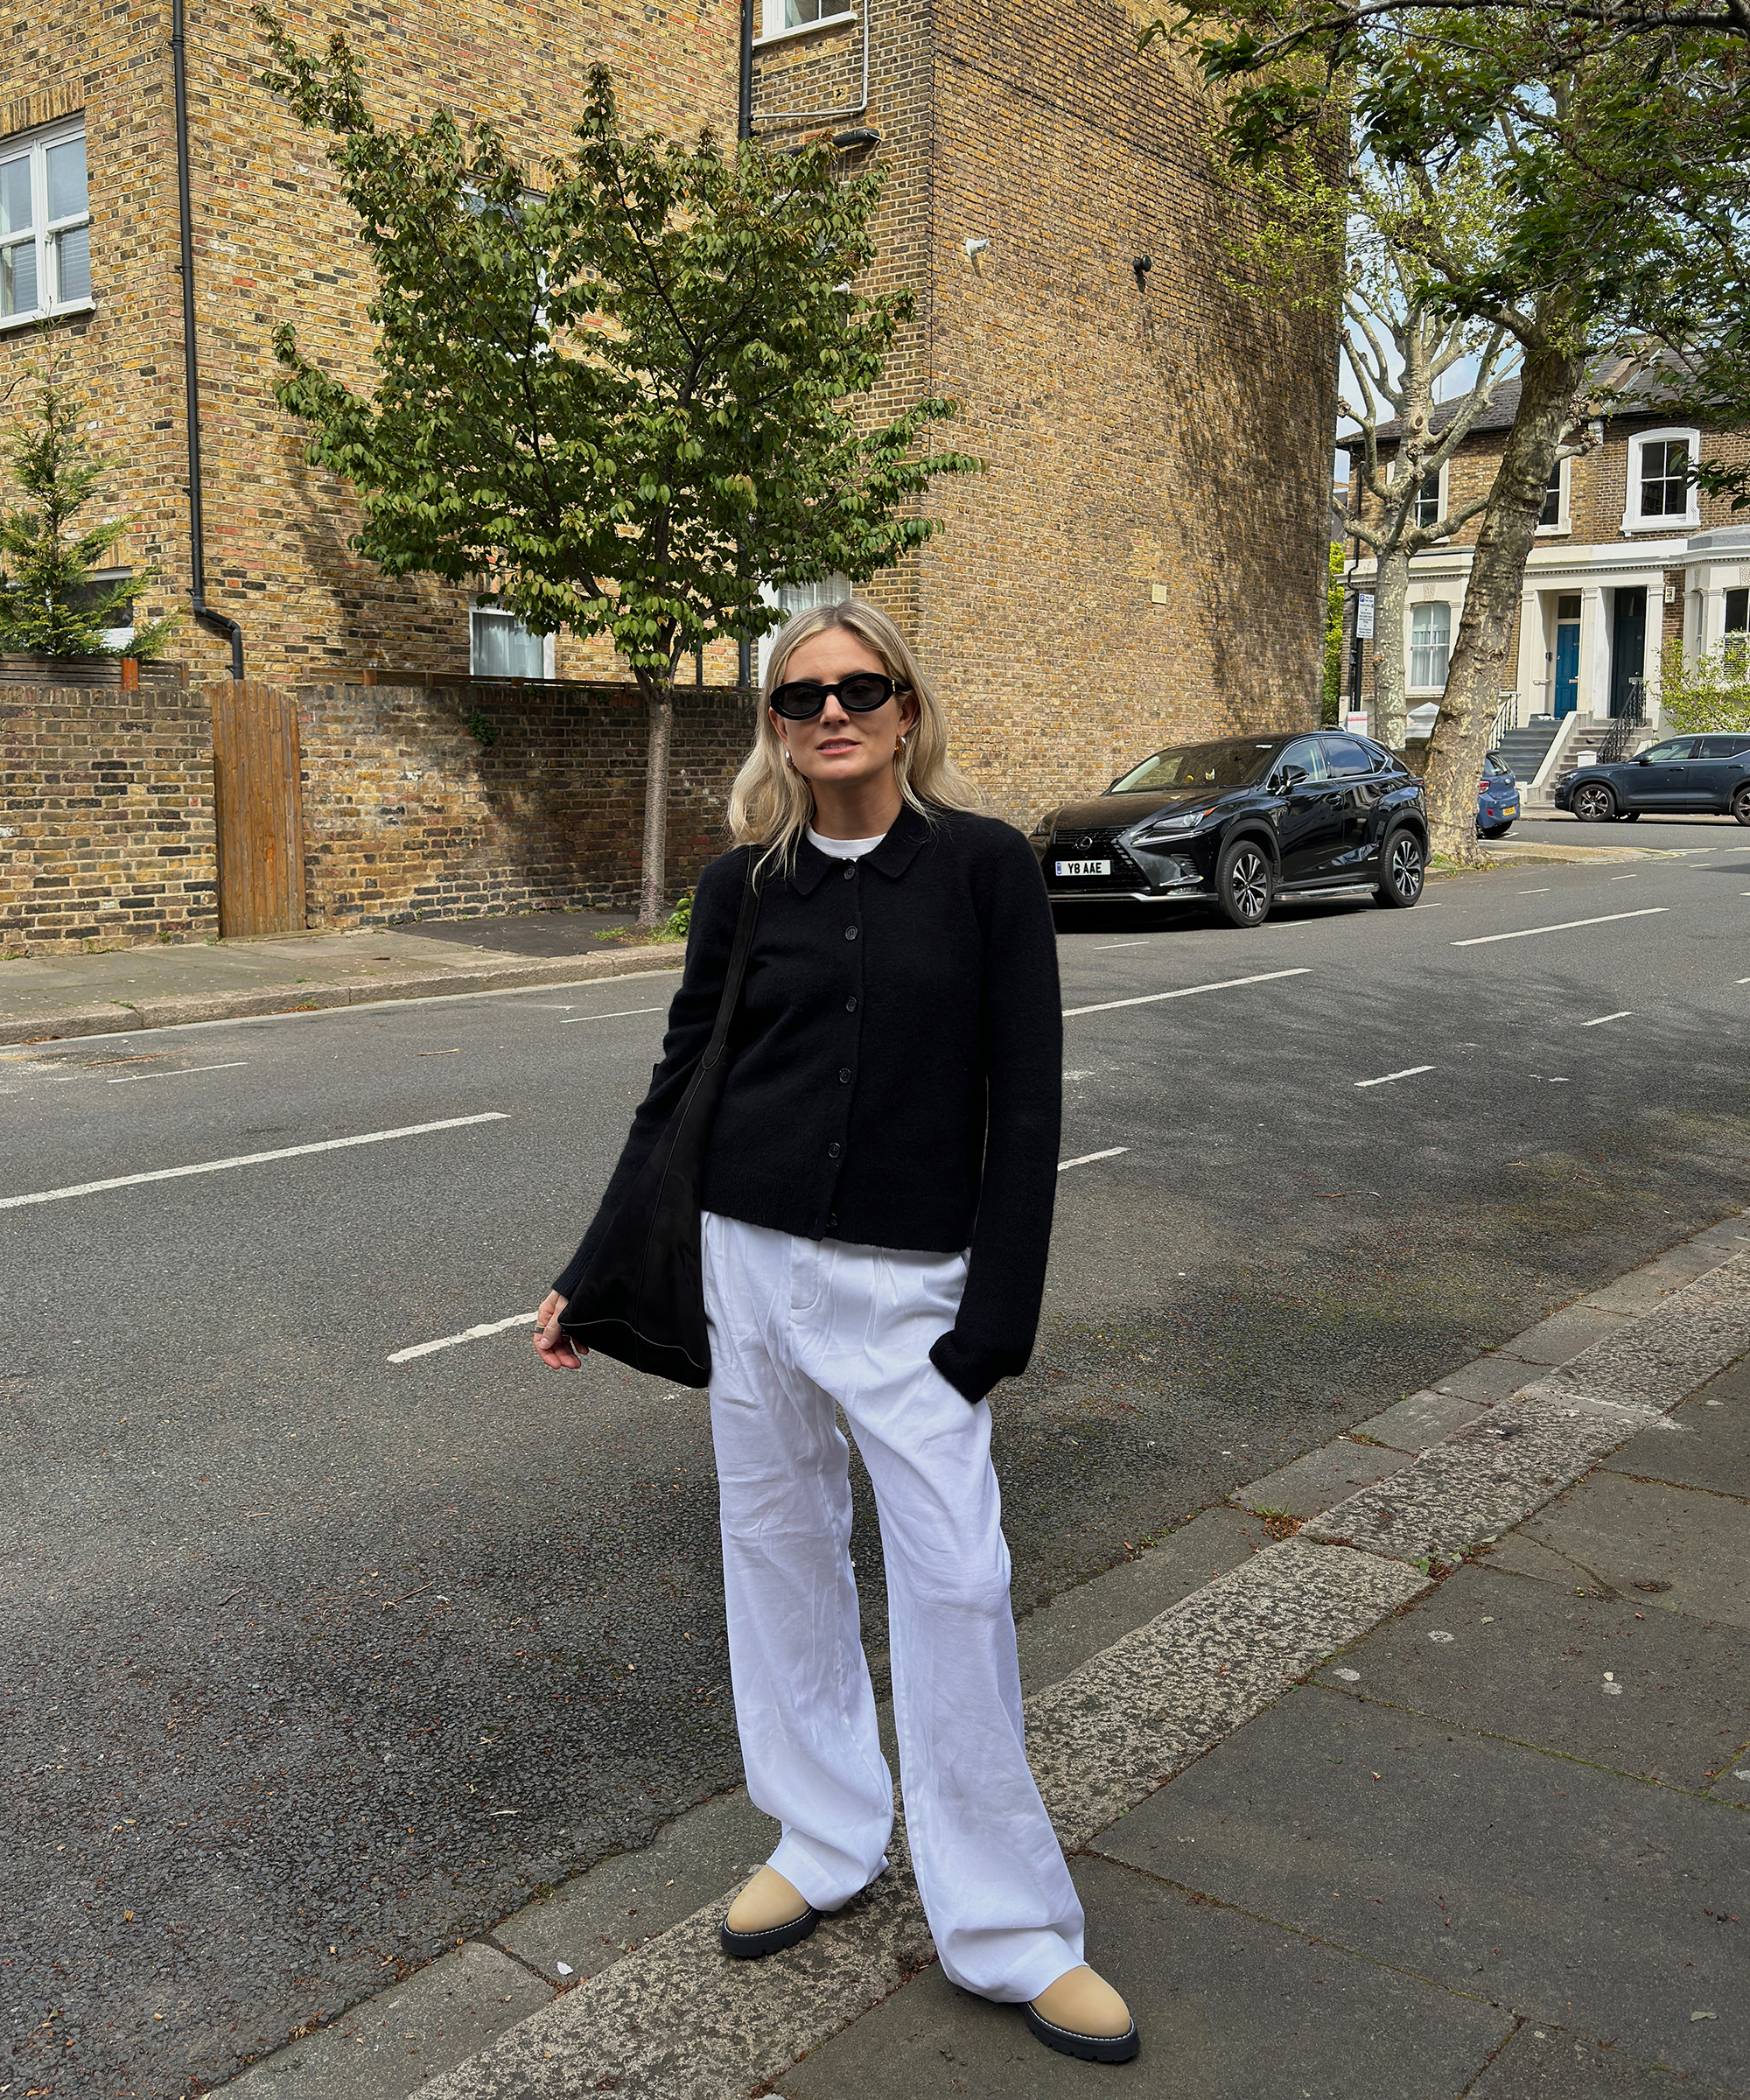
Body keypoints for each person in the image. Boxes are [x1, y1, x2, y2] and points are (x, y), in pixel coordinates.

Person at [533, 599, 1138, 2065]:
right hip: (750, 1266)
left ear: (908, 709)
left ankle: (1005, 1928)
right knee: (778, 1548)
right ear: (778, 730)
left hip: (917, 1289)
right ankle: (823, 1837)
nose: (832, 713)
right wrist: (596, 1266)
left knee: (958, 1582)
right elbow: (682, 1079)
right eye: (801, 697)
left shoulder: (986, 868)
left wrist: (998, 1316)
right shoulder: (744, 884)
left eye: (859, 688)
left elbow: (1029, 1099)